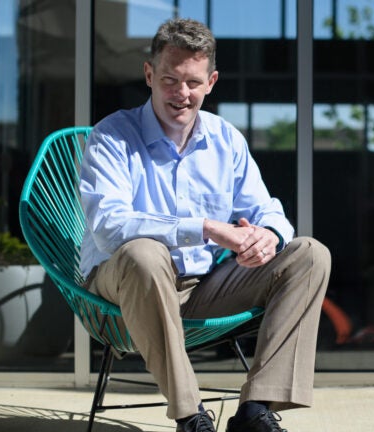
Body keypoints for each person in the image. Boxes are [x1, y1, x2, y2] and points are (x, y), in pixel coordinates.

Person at [78, 18, 331, 432]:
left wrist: (267, 236)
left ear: (211, 82)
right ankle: (191, 417)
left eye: (193, 82)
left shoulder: (226, 139)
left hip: (203, 288)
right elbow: (109, 225)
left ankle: (255, 410)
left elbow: (267, 210)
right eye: (169, 80)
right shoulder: (112, 136)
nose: (181, 93)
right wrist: (208, 228)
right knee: (145, 253)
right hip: (121, 290)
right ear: (149, 75)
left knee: (309, 255)